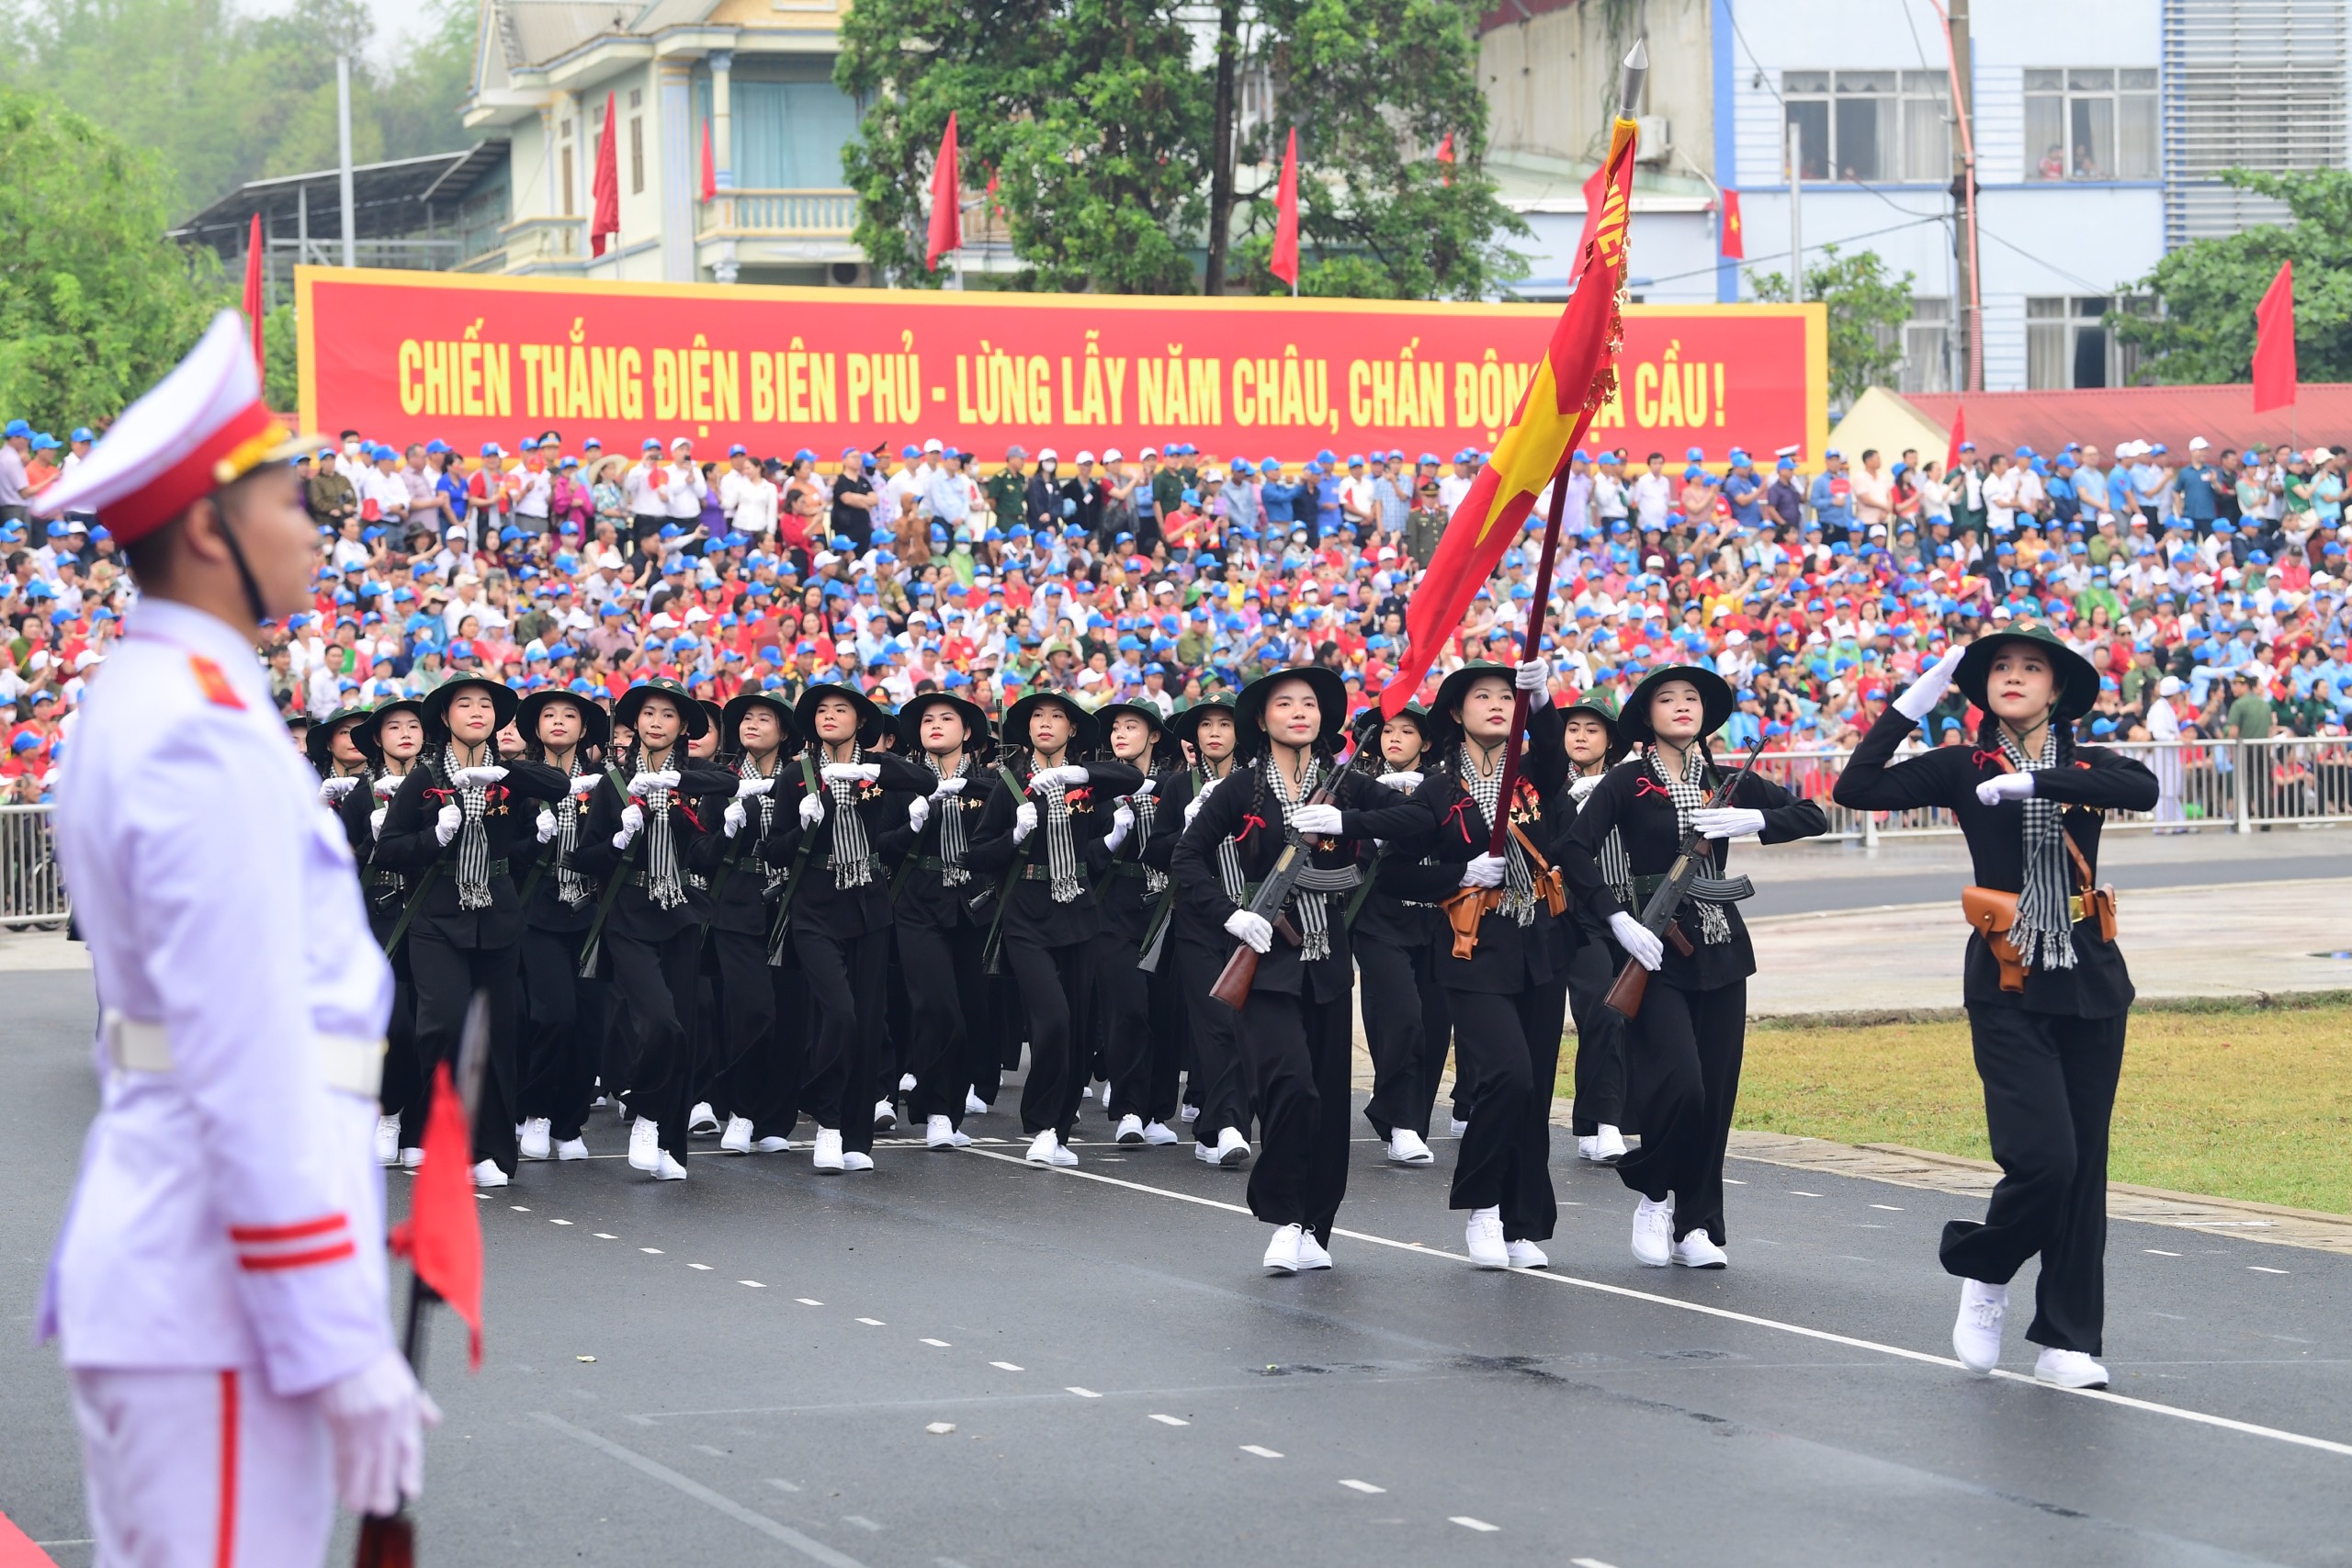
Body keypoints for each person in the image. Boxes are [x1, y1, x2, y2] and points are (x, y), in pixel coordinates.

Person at [39, 311, 435, 1559]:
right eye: (290, 496)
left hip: (198, 1277)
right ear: (210, 529)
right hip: (215, 1291)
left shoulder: (162, 695)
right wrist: (335, 1335)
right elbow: (243, 1054)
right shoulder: (199, 727)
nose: (316, 524)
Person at [1833, 626, 2157, 1390]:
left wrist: (2040, 784)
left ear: (2058, 689)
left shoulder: (2087, 765)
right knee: (2046, 1156)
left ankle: (2068, 1338)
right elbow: (1858, 786)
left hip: (2088, 973)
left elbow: (2141, 789)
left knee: (2086, 1169)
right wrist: (1911, 705)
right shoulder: (1963, 765)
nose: (2013, 676)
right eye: (2001, 668)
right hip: (2008, 974)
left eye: (2031, 667)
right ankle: (1988, 1268)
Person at [1561, 664, 1827, 1271]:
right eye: (1668, 697)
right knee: (1680, 1084)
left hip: (1722, 948)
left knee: (1717, 1095)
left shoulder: (1728, 782)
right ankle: (1655, 1193)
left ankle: (1697, 1222)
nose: (1683, 705)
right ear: (1646, 716)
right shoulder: (1627, 783)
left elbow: (1814, 814)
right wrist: (1615, 918)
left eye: (1692, 698)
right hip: (1654, 949)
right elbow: (1574, 849)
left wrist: (1757, 820)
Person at [1174, 667, 1427, 1272]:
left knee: (1329, 1104)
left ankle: (1318, 1223)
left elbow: (1419, 823)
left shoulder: (1346, 785)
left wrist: (1349, 822)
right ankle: (1284, 1216)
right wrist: (1231, 916)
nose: (1298, 712)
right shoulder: (1238, 789)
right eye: (1283, 703)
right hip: (1264, 963)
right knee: (1290, 1086)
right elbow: (1187, 860)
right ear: (1261, 720)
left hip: (1326, 963)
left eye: (1308, 703)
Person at [371, 672, 567, 1188]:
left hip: (497, 914)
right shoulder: (427, 773)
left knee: (498, 1033)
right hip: (437, 914)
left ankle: (491, 1150)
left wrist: (508, 771)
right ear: (446, 716)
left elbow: (559, 784)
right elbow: (389, 846)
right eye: (465, 704)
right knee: (443, 1025)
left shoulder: (506, 773)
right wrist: (434, 839)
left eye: (486, 705)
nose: (477, 712)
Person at [1415, 660, 1574, 1269]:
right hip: (1470, 949)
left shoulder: (1530, 775)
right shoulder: (1437, 786)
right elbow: (1402, 871)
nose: (1498, 704)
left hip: (1536, 946)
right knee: (1506, 1075)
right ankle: (1480, 1203)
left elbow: (1556, 757)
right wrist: (1458, 873)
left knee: (1533, 1091)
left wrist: (1545, 697)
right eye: (1483, 696)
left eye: (1508, 696)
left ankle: (1519, 1221)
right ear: (1457, 713)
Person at [965, 690, 1141, 1167]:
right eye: (1037, 716)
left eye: (1057, 716)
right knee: (1053, 1018)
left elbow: (1133, 775)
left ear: (1073, 729)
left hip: (1080, 911)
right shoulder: (1008, 782)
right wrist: (1014, 835)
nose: (1045, 723)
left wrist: (1077, 774)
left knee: (1080, 1026)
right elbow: (976, 854)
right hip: (1026, 912)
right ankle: (1042, 1124)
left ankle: (1059, 1129)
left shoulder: (1084, 780)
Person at [571, 679, 737, 1180]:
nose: (657, 723)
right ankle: (644, 1112)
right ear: (635, 724)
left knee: (686, 1030)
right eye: (648, 714)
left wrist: (687, 799)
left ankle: (670, 1139)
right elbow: (585, 856)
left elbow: (725, 792)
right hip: (629, 911)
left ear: (683, 727)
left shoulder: (700, 779)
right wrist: (620, 839)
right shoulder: (612, 783)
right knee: (659, 1021)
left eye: (668, 715)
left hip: (683, 909)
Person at [763, 683, 930, 1171]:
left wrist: (869, 768)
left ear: (861, 722)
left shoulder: (874, 771)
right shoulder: (798, 773)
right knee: (839, 1014)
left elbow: (921, 779)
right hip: (815, 906)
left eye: (842, 710)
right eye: (822, 710)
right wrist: (804, 829)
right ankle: (828, 1121)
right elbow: (773, 850)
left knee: (866, 1020)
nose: (830, 716)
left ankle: (856, 1135)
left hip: (869, 907)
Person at [692, 688, 805, 1156]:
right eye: (746, 719)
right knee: (750, 1010)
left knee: (792, 1016)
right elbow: (699, 855)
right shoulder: (720, 780)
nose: (752, 724)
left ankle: (775, 1116)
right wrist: (727, 831)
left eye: (764, 718)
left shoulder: (803, 781)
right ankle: (738, 1108)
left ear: (783, 731)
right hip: (736, 902)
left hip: (794, 905)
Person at [885, 689, 999, 1148]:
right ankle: (933, 1109)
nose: (935, 725)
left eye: (947, 718)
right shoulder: (902, 780)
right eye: (927, 719)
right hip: (917, 903)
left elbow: (999, 848)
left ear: (967, 732)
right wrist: (911, 826)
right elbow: (883, 846)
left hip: (973, 906)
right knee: (937, 1007)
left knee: (971, 1011)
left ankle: (949, 1111)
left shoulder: (992, 783)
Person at [1342, 703, 1451, 1167]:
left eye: (1407, 731)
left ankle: (1413, 1121)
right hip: (1379, 918)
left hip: (1439, 917)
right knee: (1400, 1018)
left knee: (1434, 1024)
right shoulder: (1357, 786)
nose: (1394, 739)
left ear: (1425, 743)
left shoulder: (1445, 786)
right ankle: (1401, 1123)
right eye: (1387, 731)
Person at [511, 688, 611, 1164]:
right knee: (553, 1015)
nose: (558, 722)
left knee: (590, 1022)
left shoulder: (605, 782)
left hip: (591, 911)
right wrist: (535, 840)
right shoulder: (519, 781)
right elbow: (503, 848)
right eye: (548, 715)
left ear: (584, 728)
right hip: (538, 907)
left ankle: (570, 1121)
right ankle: (535, 1112)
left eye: (569, 716)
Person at [1159, 694, 1251, 1162]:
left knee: (1245, 1026)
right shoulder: (1179, 786)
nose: (1214, 732)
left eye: (1224, 724)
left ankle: (1217, 1125)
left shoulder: (1258, 784)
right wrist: (1188, 828)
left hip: (1251, 917)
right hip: (1197, 916)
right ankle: (1229, 1125)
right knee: (1215, 1022)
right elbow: (1154, 851)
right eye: (1205, 725)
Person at [1089, 699, 1184, 1146]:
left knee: (1166, 1012)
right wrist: (1112, 839)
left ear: (1155, 735)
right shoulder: (1096, 787)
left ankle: (1158, 1112)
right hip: (1115, 908)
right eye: (1115, 728)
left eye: (1132, 726)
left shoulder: (1176, 785)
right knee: (1127, 1009)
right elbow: (1082, 855)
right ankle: (1127, 1107)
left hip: (1166, 906)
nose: (1121, 734)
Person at [345, 696, 428, 1167]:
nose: (404, 734)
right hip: (378, 916)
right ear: (378, 739)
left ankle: (417, 1123)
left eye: (413, 726)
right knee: (394, 1023)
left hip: (433, 913)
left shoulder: (437, 785)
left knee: (428, 1025)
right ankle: (387, 1110)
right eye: (393, 727)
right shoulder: (361, 792)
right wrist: (369, 843)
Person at [1557, 691, 1633, 1164]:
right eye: (1573, 728)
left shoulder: (1628, 783)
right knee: (1599, 1013)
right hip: (1571, 915)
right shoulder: (1545, 785)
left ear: (1610, 740)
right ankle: (1608, 1123)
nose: (1581, 737)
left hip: (1626, 913)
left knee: (1616, 1019)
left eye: (1592, 729)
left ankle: (1593, 1120)